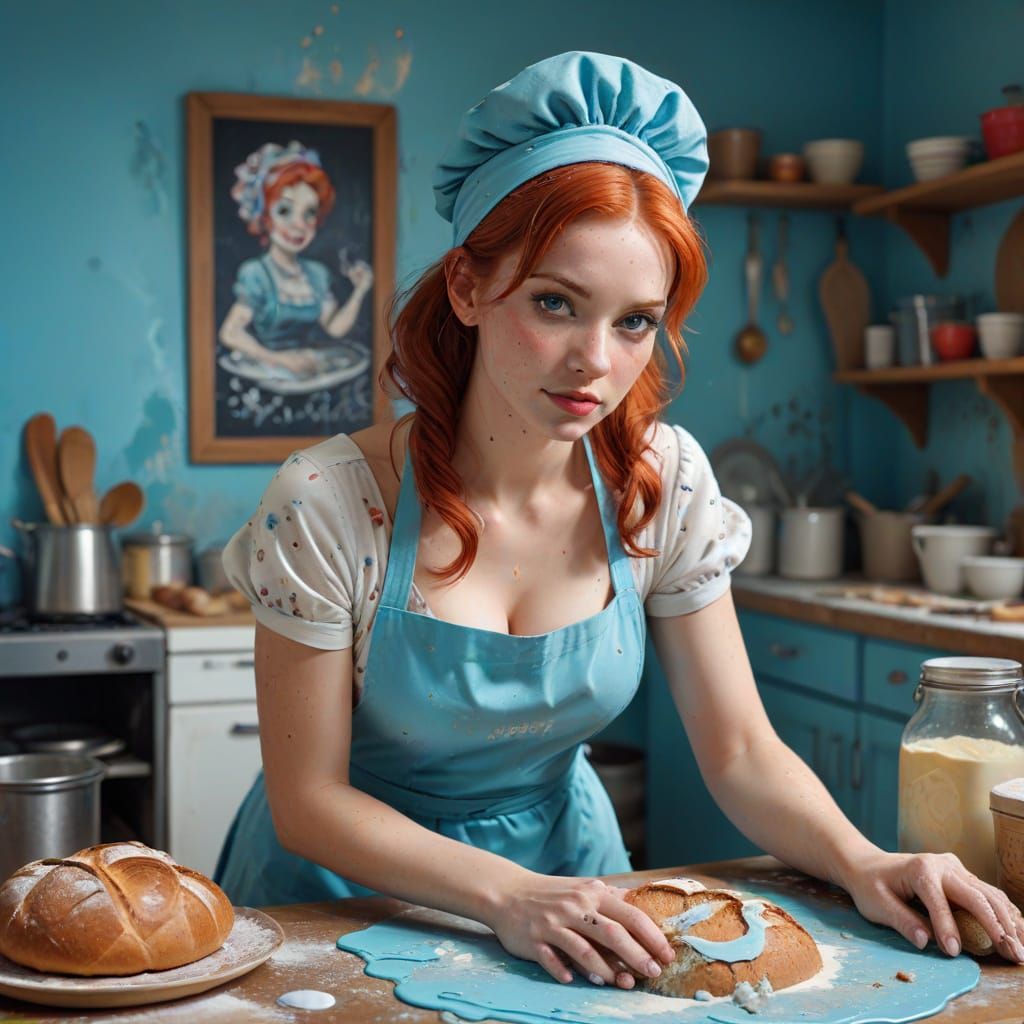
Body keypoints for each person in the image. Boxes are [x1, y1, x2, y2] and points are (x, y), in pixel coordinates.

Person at [216, 51, 1024, 986]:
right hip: (344, 901)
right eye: (555, 303)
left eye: (635, 321)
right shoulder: (328, 503)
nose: (594, 361)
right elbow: (309, 800)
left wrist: (863, 860)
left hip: (577, 892)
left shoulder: (663, 486)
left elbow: (739, 751)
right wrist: (505, 894)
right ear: (469, 289)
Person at [219, 140, 374, 381]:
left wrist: (360, 290)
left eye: (310, 213)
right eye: (284, 211)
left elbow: (334, 328)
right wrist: (278, 360)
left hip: (309, 374)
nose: (299, 225)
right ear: (264, 216)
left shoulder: (316, 274)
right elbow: (230, 333)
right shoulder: (256, 274)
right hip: (269, 376)